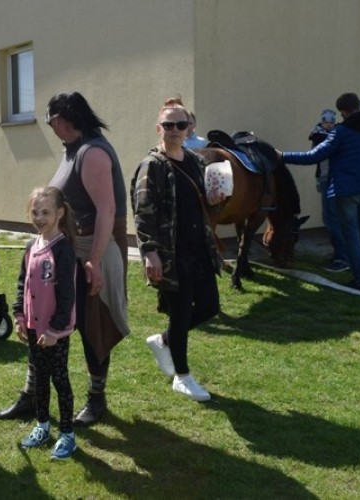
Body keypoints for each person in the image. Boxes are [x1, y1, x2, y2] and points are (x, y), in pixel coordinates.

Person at [0, 91, 130, 427]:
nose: (50, 126)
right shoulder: (74, 150)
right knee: (43, 317)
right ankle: (31, 395)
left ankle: (96, 399)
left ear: (62, 119)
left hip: (90, 249)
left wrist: (94, 262)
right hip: (66, 249)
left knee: (91, 325)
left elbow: (107, 211)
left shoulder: (93, 152)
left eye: (49, 120)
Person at [131, 97, 222, 401]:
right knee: (181, 313)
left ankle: (164, 340)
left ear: (189, 128)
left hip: (200, 250)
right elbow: (143, 212)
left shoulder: (196, 161)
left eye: (180, 124)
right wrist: (149, 252)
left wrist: (216, 198)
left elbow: (202, 202)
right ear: (159, 128)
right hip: (171, 253)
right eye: (168, 124)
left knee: (210, 306)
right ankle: (182, 377)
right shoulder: (152, 165)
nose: (174, 129)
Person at [281, 92, 360, 291]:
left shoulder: (341, 132)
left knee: (351, 235)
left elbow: (313, 156)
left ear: (343, 112)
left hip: (346, 191)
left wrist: (282, 156)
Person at [15, 186, 79, 460]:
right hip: (33, 327)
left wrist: (54, 330)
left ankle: (67, 434)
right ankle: (42, 425)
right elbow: (22, 283)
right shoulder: (32, 246)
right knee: (39, 377)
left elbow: (66, 295)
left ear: (60, 213)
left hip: (55, 331)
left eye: (46, 212)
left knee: (59, 378)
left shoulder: (63, 249)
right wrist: (20, 316)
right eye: (35, 211)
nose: (39, 217)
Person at [309, 109, 349, 273]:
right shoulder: (319, 136)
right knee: (332, 218)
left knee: (333, 219)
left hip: (332, 180)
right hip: (327, 178)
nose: (329, 125)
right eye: (326, 122)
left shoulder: (332, 137)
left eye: (331, 122)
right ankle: (341, 255)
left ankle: (342, 258)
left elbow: (313, 157)